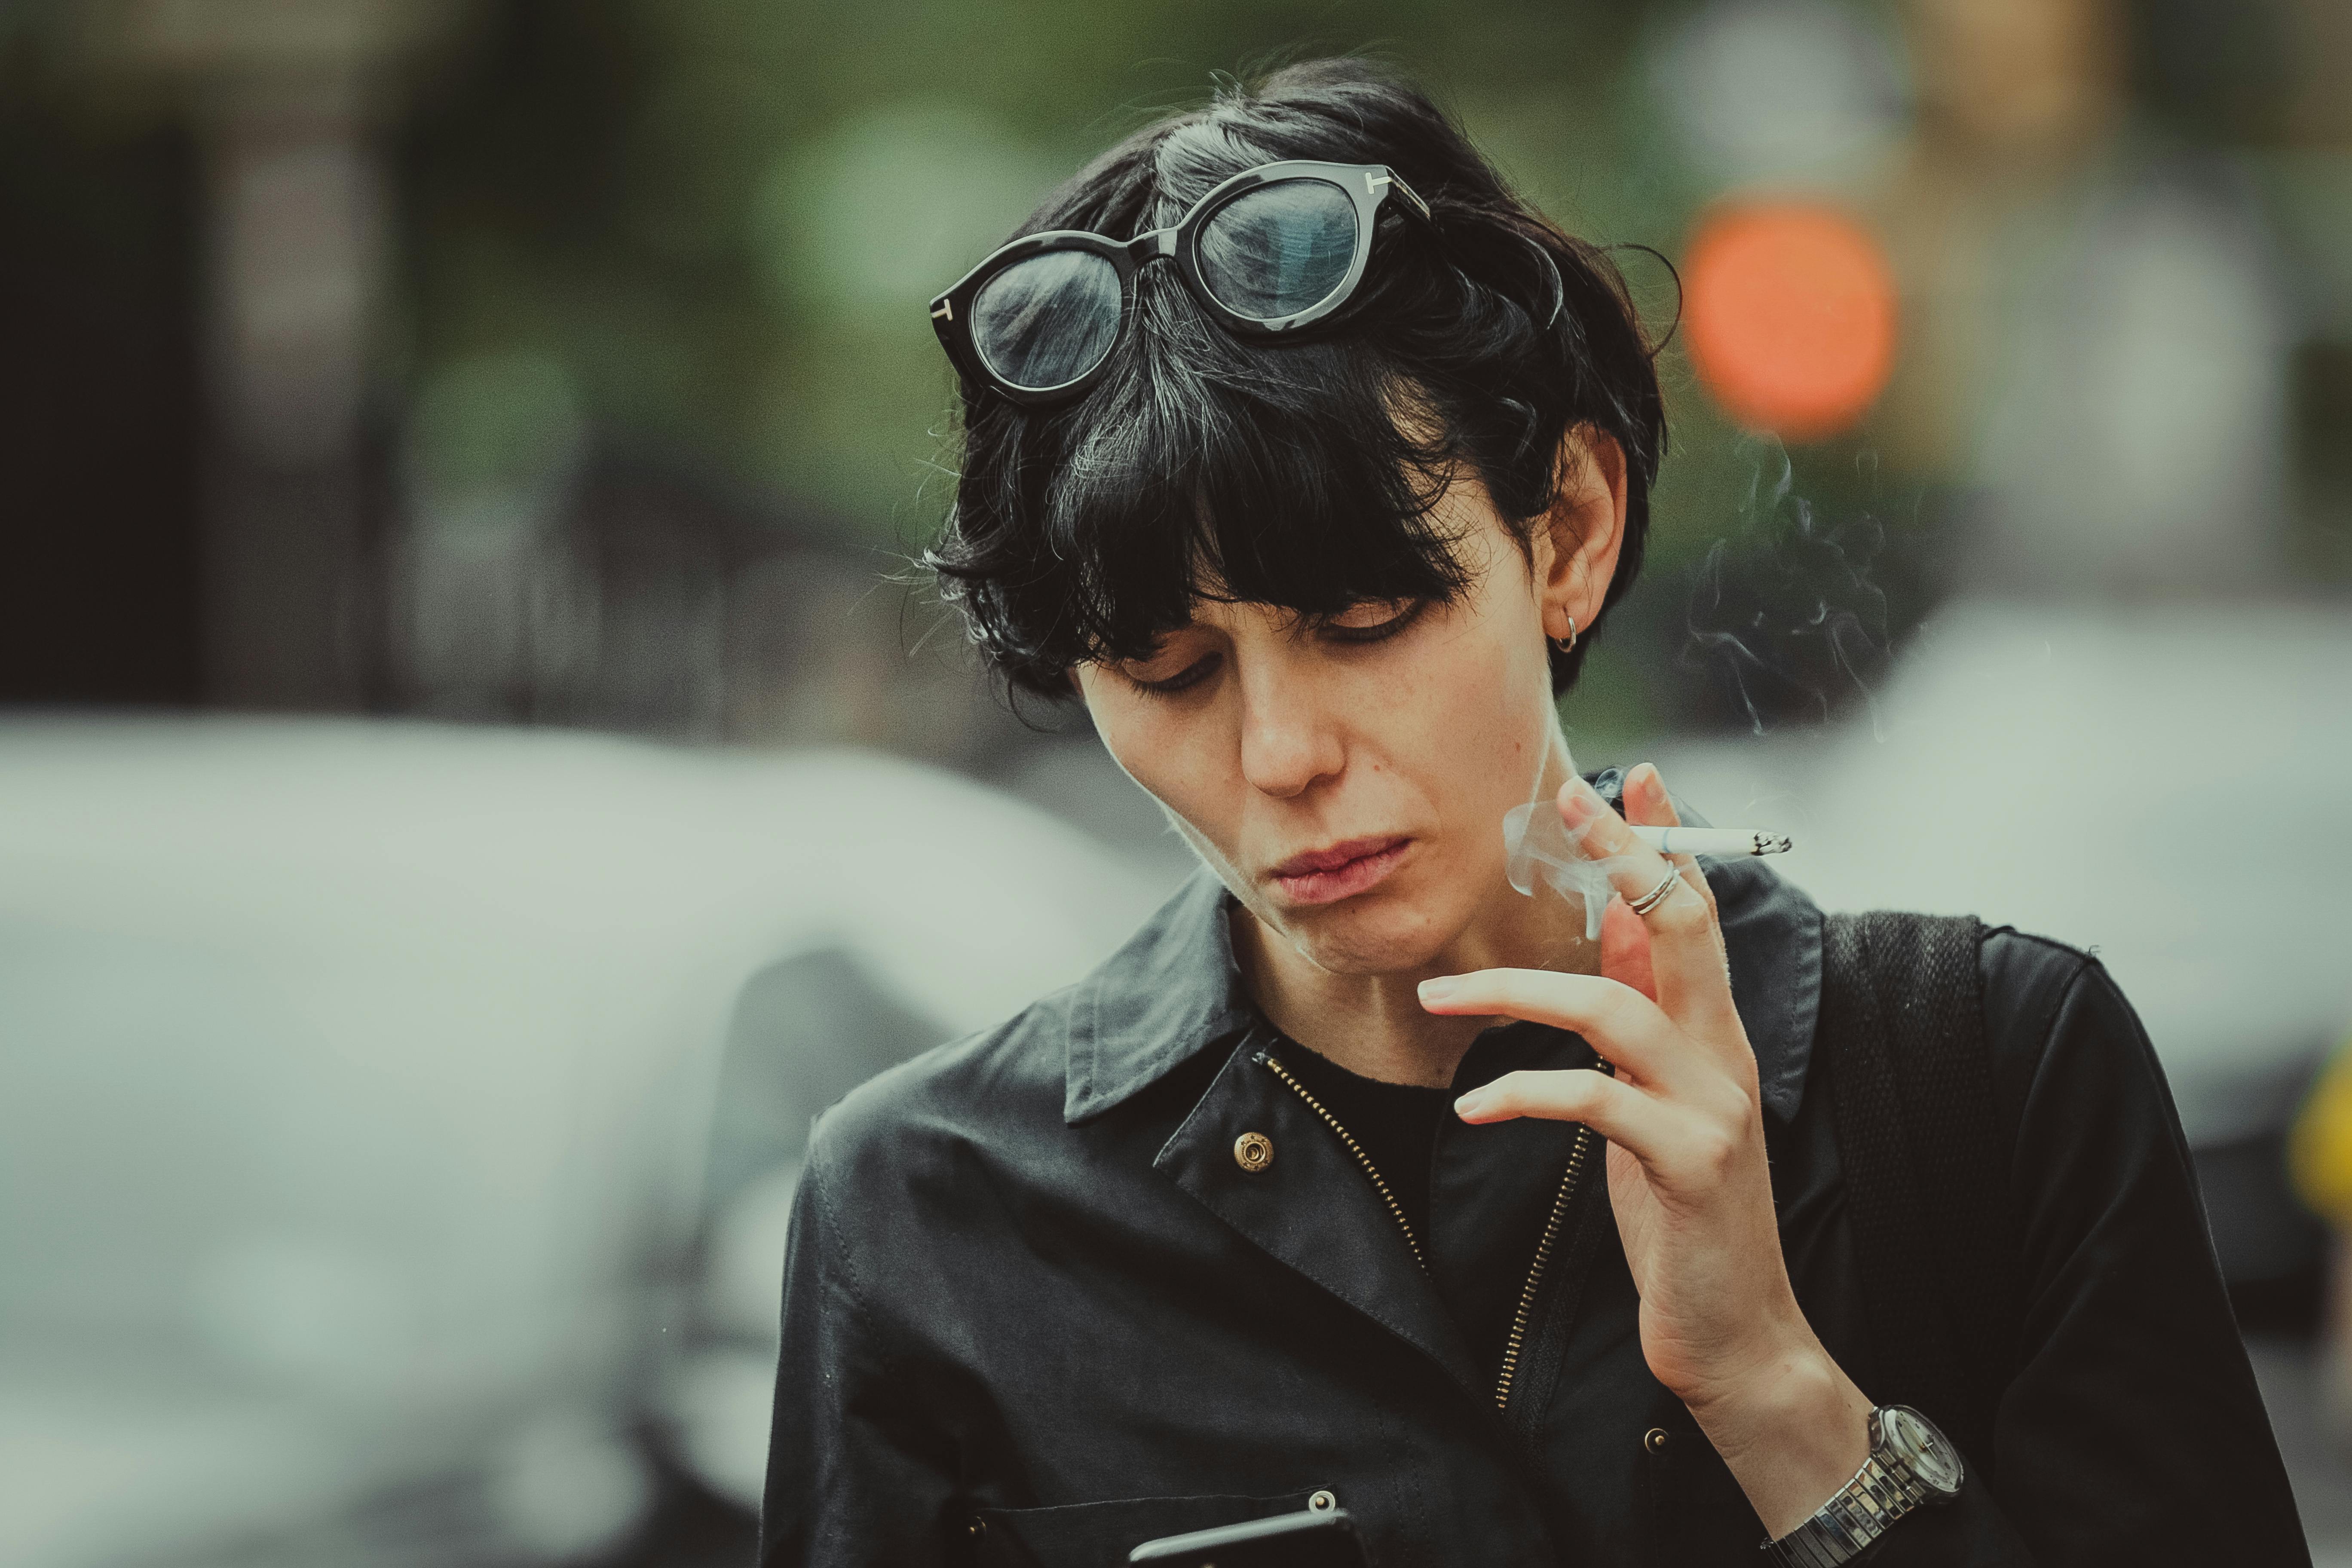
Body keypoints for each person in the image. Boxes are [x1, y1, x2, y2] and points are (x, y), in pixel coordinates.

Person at [761, 60, 2305, 1566]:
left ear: (1567, 528)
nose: (1284, 751)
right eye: (1167, 669)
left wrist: (1776, 1390)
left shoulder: (1994, 1084)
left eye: (1365, 617)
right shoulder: (934, 1213)